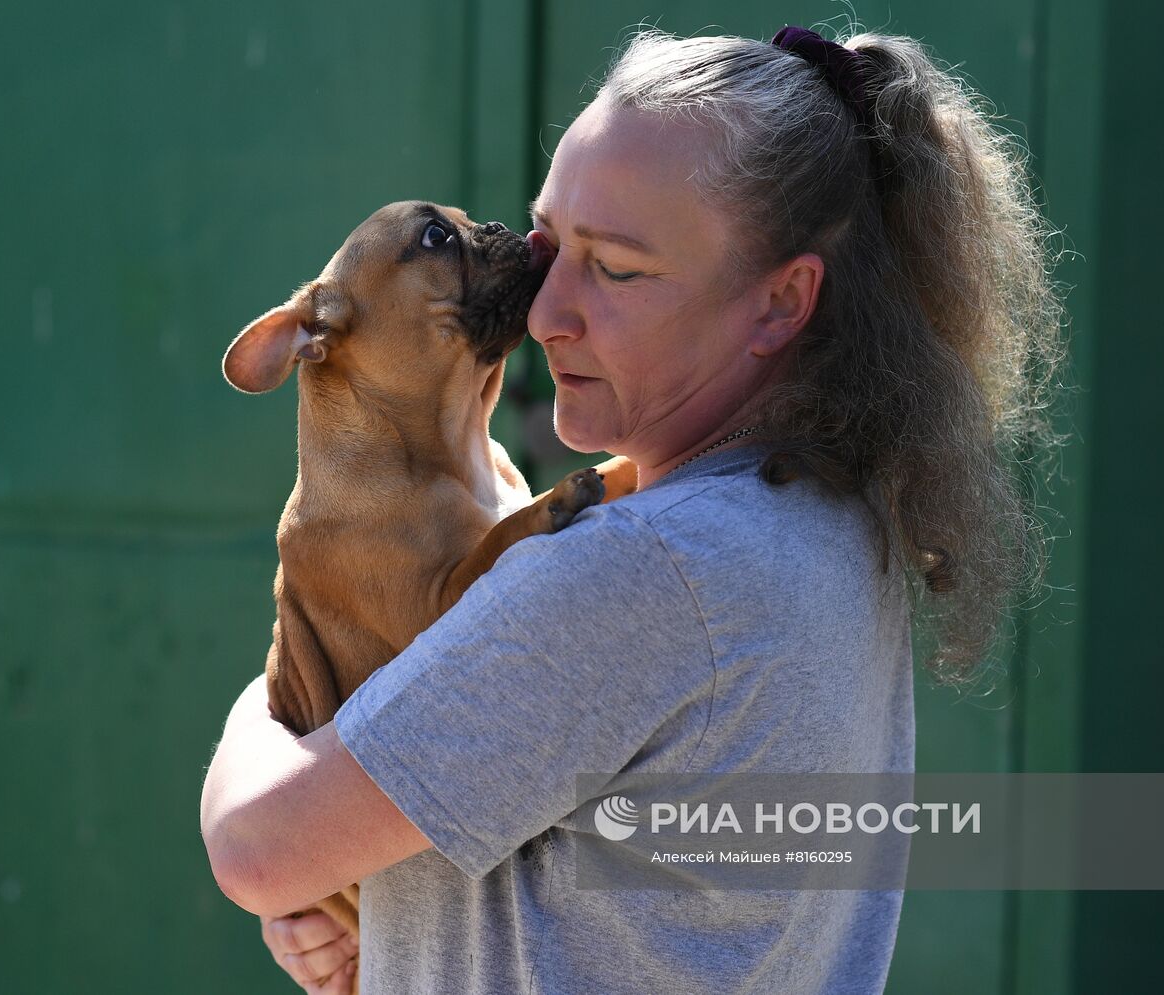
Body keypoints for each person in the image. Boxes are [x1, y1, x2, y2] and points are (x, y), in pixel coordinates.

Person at [200, 24, 1064, 994]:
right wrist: (394, 933)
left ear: (779, 303)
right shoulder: (825, 520)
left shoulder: (648, 572)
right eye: (549, 243)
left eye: (614, 269)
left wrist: (266, 716)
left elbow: (257, 847)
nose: (542, 312)